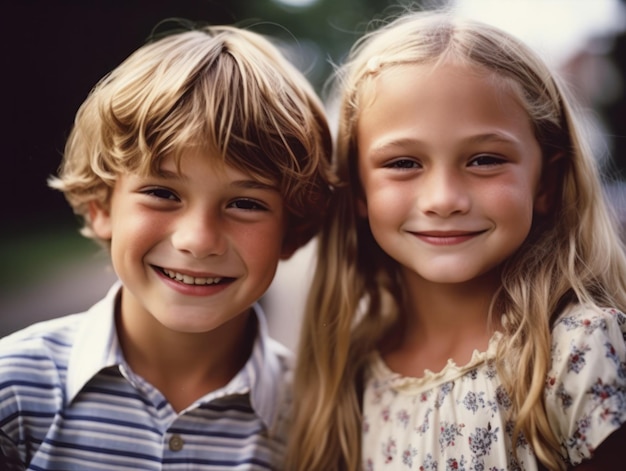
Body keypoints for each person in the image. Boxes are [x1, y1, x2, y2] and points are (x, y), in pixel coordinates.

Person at [287, 9, 626, 471]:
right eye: (404, 163)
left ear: (546, 182)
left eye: (484, 160)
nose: (444, 199)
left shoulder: (580, 350)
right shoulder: (351, 372)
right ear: (358, 188)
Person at [0, 22, 332, 470]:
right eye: (163, 193)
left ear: (291, 231)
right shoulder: (14, 390)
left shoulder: (317, 416)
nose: (197, 240)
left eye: (245, 203)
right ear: (101, 205)